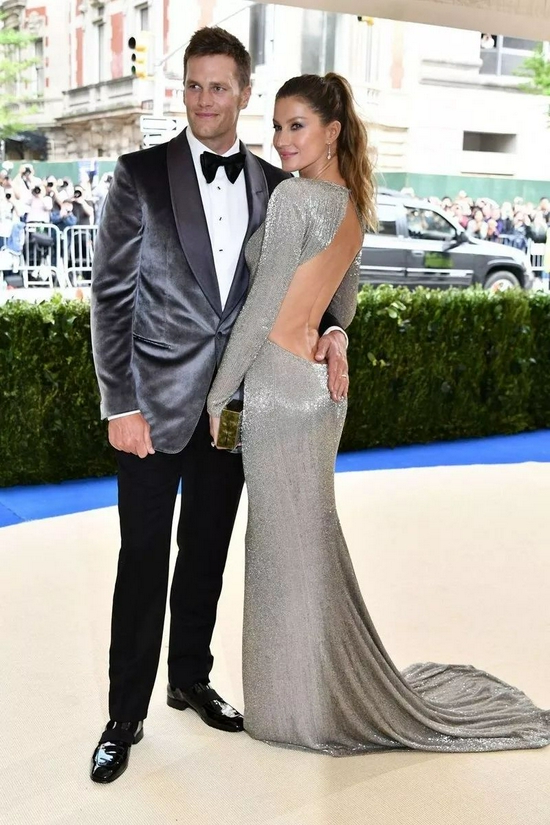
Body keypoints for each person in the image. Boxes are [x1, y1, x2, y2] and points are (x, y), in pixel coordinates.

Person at [207, 72, 550, 756]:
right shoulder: (351, 207)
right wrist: (335, 336)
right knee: (307, 546)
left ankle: (292, 710)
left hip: (277, 388)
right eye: (276, 126)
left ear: (332, 131)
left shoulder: (295, 198)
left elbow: (261, 310)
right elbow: (345, 305)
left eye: (296, 125)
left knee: (279, 552)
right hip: (317, 393)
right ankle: (311, 695)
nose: (281, 139)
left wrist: (220, 394)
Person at [89, 27, 349, 784]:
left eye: (220, 86)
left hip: (239, 405)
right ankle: (125, 715)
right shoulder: (139, 174)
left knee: (206, 550)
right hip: (153, 406)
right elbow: (110, 297)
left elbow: (326, 277)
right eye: (194, 85)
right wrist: (120, 403)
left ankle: (190, 678)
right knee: (142, 560)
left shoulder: (278, 182)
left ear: (244, 91)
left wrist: (335, 330)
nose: (204, 100)